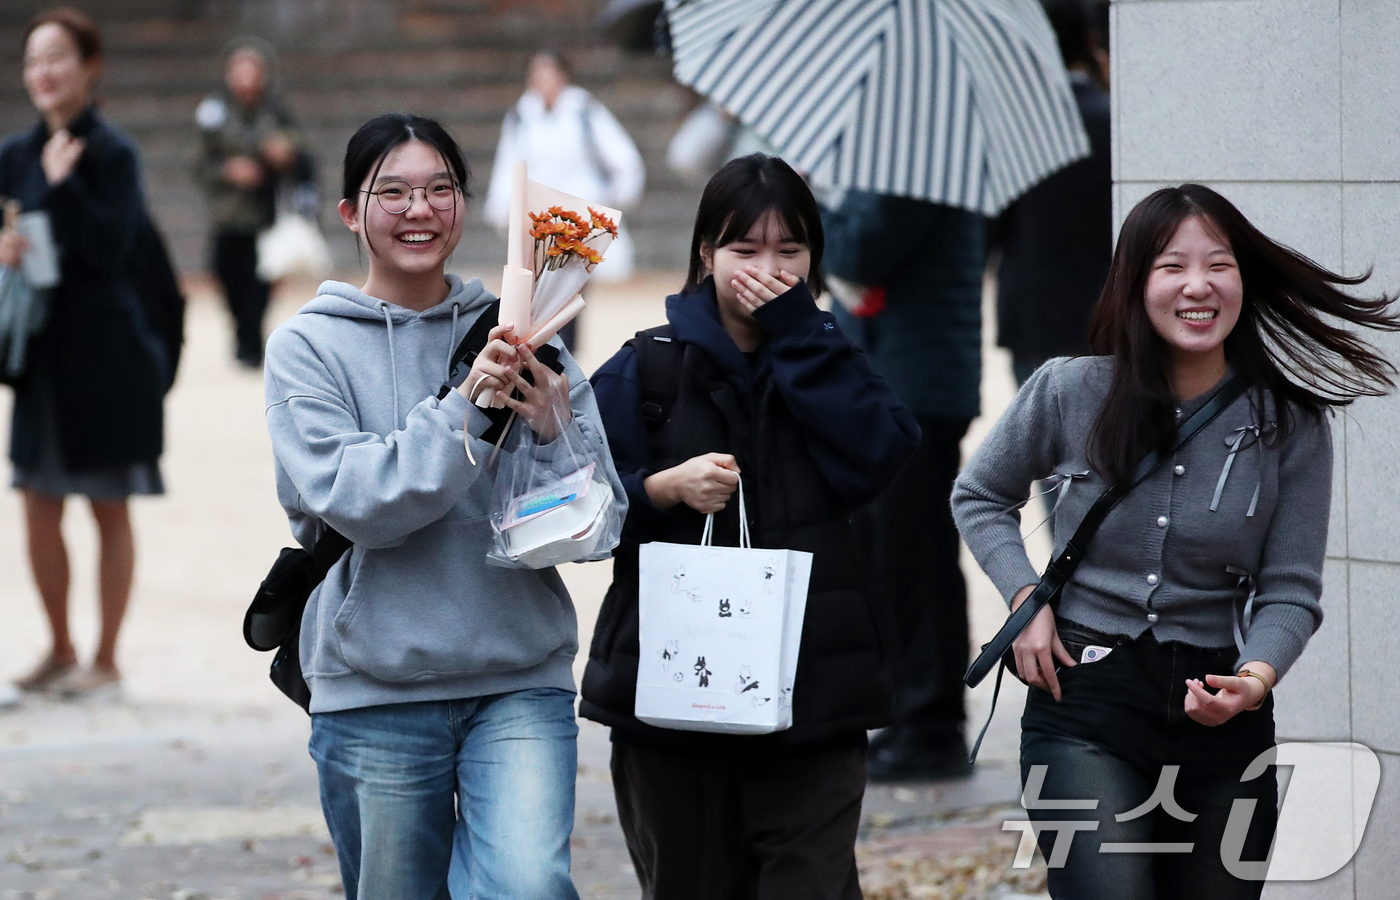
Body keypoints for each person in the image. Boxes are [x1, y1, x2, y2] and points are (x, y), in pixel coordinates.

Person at [952, 184, 1399, 899]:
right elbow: (979, 494)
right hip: (1085, 702)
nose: (1198, 285)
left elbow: (1290, 588)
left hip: (1223, 713)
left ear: (1242, 280)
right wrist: (1026, 597)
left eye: (1218, 264)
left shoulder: (1291, 425)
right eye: (1171, 267)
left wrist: (1253, 681)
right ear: (1136, 283)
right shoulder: (1068, 391)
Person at [263, 112, 620, 899]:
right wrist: (469, 407)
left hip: (517, 676)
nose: (418, 210)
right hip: (375, 689)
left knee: (528, 887)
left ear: (466, 203)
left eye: (439, 189)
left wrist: (553, 427)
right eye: (392, 192)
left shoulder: (522, 329)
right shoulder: (307, 348)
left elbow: (599, 525)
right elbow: (362, 503)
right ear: (352, 212)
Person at [582, 154, 920, 899]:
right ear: (706, 254)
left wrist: (800, 336)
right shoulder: (647, 366)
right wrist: (661, 489)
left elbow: (882, 456)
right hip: (674, 704)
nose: (767, 269)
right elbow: (578, 508)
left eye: (789, 251)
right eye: (745, 249)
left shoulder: (830, 355)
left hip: (814, 692)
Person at [1, 8, 169, 699]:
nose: (43, 71)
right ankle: (61, 647)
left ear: (89, 67)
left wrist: (62, 185)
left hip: (106, 354)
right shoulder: (13, 154)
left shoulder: (113, 154)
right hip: (40, 352)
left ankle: (106, 660)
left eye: (57, 57)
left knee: (107, 504)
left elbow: (110, 249)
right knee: (37, 500)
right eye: (33, 59)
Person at [820, 191, 986, 780]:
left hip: (913, 384)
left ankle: (930, 723)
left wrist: (815, 200)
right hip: (893, 377)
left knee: (912, 557)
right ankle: (905, 714)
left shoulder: (911, 164)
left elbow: (854, 251)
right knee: (886, 555)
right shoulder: (890, 160)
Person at [484, 51, 645, 347]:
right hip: (539, 216)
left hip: (578, 214)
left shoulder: (584, 111)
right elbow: (509, 163)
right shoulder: (522, 116)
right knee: (539, 292)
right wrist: (501, 208)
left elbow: (621, 156)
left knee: (571, 290)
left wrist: (616, 197)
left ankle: (566, 350)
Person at [993, 0, 1111, 387]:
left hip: (1033, 319)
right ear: (1091, 41)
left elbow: (988, 224)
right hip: (1108, 314)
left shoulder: (1014, 123)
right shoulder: (1117, 121)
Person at [195, 39, 302, 368]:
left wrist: (282, 154)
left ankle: (252, 345)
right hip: (227, 214)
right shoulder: (214, 114)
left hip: (263, 213)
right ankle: (242, 330)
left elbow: (299, 152)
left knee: (260, 282)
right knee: (226, 274)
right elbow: (199, 161)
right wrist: (229, 171)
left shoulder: (277, 113)